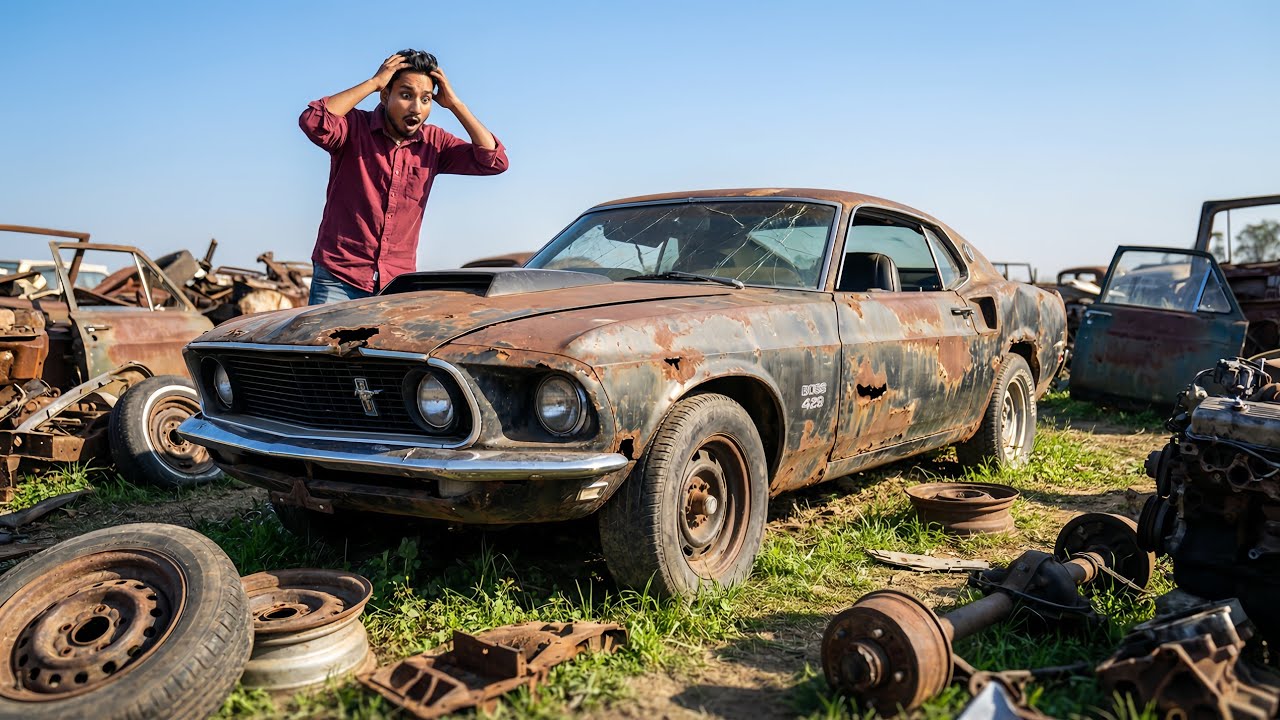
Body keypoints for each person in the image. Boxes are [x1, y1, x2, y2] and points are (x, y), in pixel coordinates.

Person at [299, 50, 508, 304]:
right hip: (339, 278)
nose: (416, 108)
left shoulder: (435, 143)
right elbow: (314, 121)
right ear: (386, 95)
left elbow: (494, 161)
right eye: (406, 95)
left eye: (425, 99)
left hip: (395, 285)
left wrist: (455, 104)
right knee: (326, 345)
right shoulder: (354, 128)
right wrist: (374, 83)